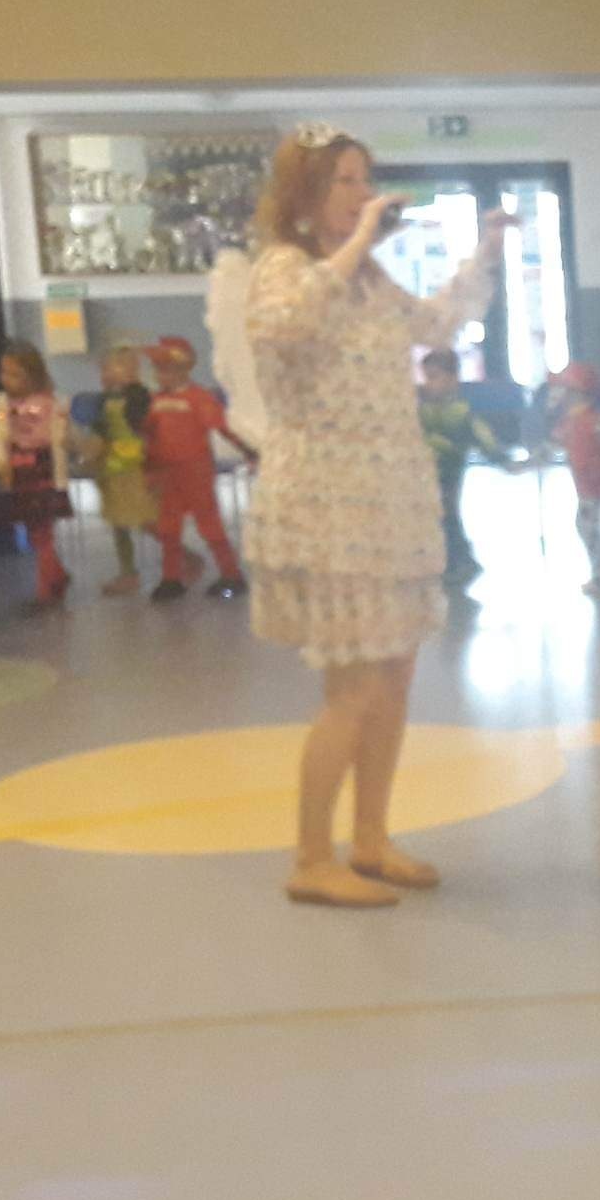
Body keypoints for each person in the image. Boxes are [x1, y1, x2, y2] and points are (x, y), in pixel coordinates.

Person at [241, 122, 507, 909]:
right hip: (327, 501)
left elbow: (434, 325)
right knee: (352, 688)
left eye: (366, 179)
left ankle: (371, 838)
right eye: (345, 181)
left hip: (390, 493)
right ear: (304, 193)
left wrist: (485, 253)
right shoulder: (283, 267)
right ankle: (309, 857)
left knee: (394, 675)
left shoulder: (366, 277)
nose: (364, 195)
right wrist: (358, 242)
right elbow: (284, 324)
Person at [144, 335, 256, 603]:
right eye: (158, 369)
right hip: (165, 473)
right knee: (168, 527)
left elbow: (223, 427)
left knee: (209, 523)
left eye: (166, 369)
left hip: (195, 471)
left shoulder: (198, 398)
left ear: (183, 369)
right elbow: (145, 433)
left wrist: (248, 450)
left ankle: (231, 574)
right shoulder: (153, 400)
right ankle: (171, 578)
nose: (160, 375)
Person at [417, 347, 510, 586]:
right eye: (426, 377)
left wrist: (500, 459)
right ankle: (456, 559)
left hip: (449, 468)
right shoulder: (423, 408)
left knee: (447, 513)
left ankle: (460, 561)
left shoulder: (460, 411)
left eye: (433, 377)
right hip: (426, 472)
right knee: (440, 514)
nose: (428, 384)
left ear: (452, 379)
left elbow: (482, 436)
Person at [0, 341, 73, 610]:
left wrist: (61, 479)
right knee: (33, 530)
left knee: (43, 531)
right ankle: (57, 575)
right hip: (19, 472)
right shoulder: (3, 405)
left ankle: (45, 590)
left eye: (14, 374)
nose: (7, 379)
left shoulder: (51, 403)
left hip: (44, 470)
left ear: (33, 375)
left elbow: (59, 440)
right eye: (4, 372)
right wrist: (2, 463)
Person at [71, 343, 158, 596]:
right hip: (111, 468)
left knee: (143, 519)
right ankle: (128, 572)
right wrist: (88, 454)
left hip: (134, 468)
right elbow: (100, 432)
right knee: (118, 523)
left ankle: (181, 555)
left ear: (131, 371)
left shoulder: (139, 397)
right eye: (103, 370)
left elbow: (145, 429)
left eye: (110, 369)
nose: (105, 375)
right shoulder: (105, 400)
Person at [549, 362, 600, 594]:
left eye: (562, 388)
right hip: (584, 482)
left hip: (592, 482)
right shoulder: (572, 419)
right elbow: (556, 442)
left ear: (575, 392)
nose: (558, 393)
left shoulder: (592, 419)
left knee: (585, 526)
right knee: (586, 525)